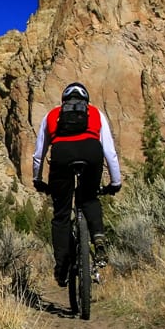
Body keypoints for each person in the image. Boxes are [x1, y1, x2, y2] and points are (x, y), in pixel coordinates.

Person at [32, 82, 122, 287]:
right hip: (92, 153)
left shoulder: (52, 115)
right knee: (89, 198)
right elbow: (110, 152)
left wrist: (37, 179)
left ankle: (62, 267)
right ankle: (98, 238)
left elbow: (39, 154)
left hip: (61, 156)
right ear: (85, 100)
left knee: (61, 215)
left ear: (64, 101)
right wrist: (115, 182)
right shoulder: (95, 113)